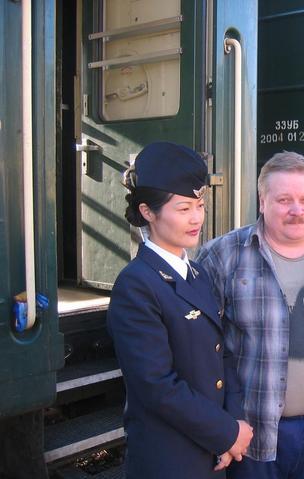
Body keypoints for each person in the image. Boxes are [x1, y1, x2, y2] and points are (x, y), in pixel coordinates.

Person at [196, 151, 304, 479]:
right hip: (251, 433)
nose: (296, 210)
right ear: (263, 201)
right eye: (284, 199)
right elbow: (200, 346)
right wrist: (218, 423)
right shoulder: (222, 257)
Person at [107, 142, 253, 478]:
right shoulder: (136, 285)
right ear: (148, 212)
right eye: (184, 208)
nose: (197, 218)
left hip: (211, 451)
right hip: (169, 458)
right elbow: (156, 385)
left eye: (200, 206)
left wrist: (234, 421)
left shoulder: (198, 273)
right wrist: (226, 433)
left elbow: (223, 355)